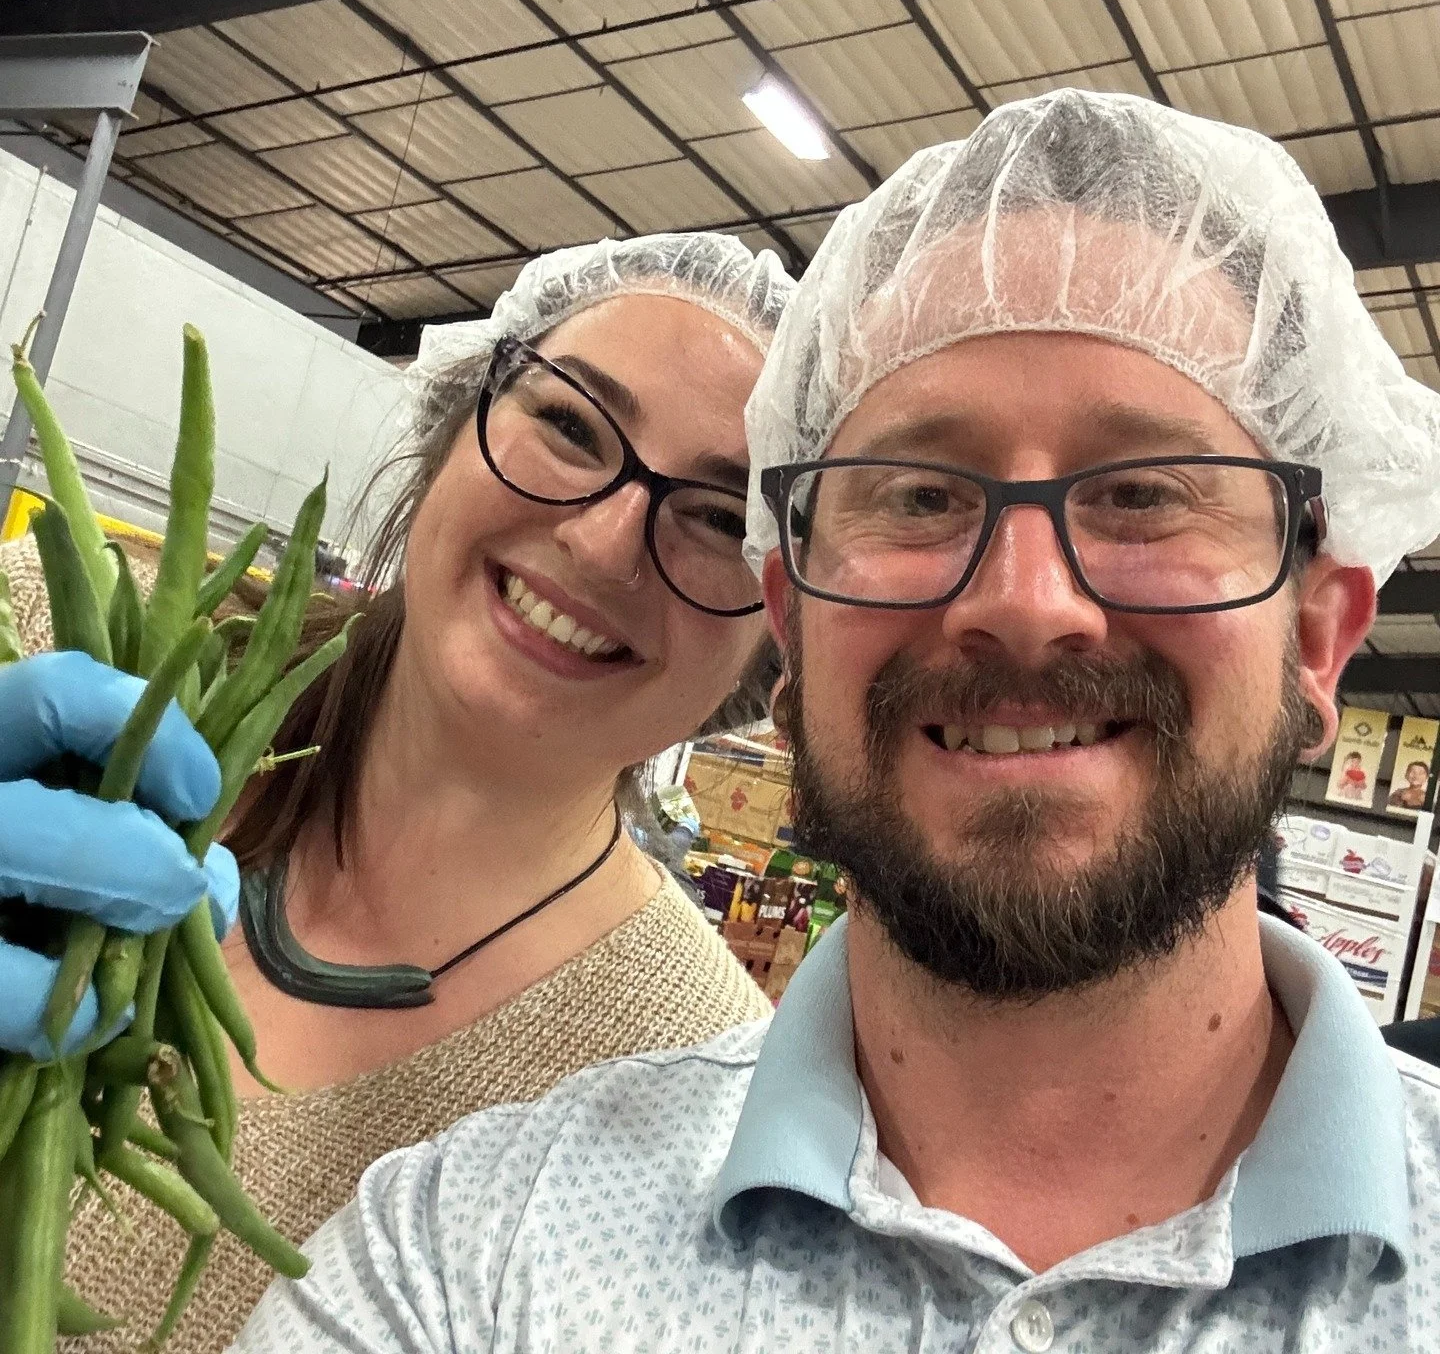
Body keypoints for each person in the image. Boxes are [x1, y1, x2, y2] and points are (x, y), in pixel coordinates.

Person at [233, 91, 1440, 1352]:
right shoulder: (461, 1254)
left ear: (1315, 637)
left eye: (1142, 494)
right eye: (917, 495)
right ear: (793, 628)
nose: (1023, 605)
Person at [0, 231, 794, 1349]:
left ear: (771, 644)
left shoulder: (696, 1097)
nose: (609, 541)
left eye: (721, 516)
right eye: (569, 423)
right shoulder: (49, 648)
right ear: (450, 430)